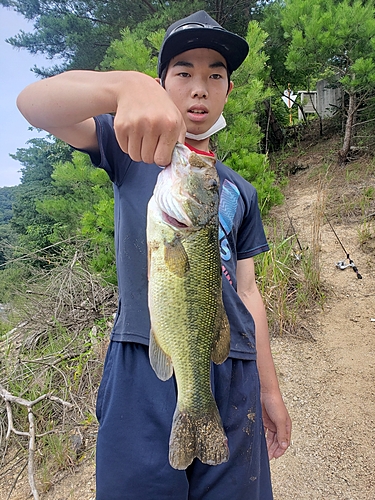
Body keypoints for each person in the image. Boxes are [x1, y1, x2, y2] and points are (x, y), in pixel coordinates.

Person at [17, 10, 291, 500]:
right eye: (183, 72)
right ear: (162, 83)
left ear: (228, 91)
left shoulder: (241, 191)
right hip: (144, 357)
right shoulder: (130, 150)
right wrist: (122, 86)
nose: (200, 87)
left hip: (232, 370)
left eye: (215, 75)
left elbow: (249, 292)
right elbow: (33, 104)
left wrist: (269, 391)